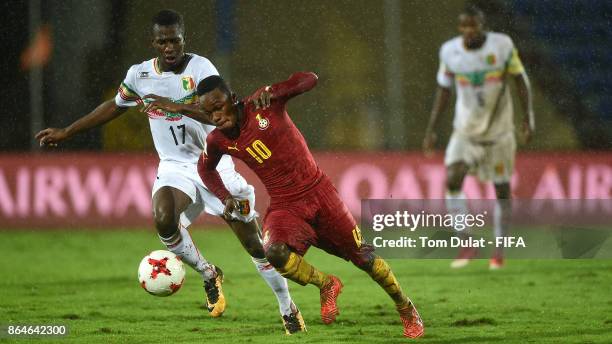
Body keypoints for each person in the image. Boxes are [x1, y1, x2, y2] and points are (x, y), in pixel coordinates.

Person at [34, 9, 304, 334]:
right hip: (175, 167)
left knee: (255, 245)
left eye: (174, 40)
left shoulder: (201, 69)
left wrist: (175, 105)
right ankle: (208, 273)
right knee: (164, 218)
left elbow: (223, 115)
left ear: (182, 38)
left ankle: (287, 308)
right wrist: (68, 131)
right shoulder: (139, 75)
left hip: (214, 163)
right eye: (162, 41)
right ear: (154, 42)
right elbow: (114, 107)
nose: (169, 47)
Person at [184, 72, 424, 338]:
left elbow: (310, 79)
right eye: (209, 113)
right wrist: (224, 196)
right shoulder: (217, 140)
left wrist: (276, 89)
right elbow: (205, 170)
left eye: (218, 107)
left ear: (233, 98)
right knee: (273, 252)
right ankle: (326, 284)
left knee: (364, 258)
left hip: (321, 194)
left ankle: (405, 307)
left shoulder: (263, 105)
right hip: (286, 205)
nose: (216, 116)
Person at [423, 5, 535, 269]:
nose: (468, 31)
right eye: (464, 27)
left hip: (499, 134)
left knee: (502, 190)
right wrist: (431, 128)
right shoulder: (450, 52)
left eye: (473, 26)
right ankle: (467, 242)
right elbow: (443, 89)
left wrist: (528, 117)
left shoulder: (503, 46)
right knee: (452, 178)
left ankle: (499, 250)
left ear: (483, 25)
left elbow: (521, 80)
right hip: (465, 132)